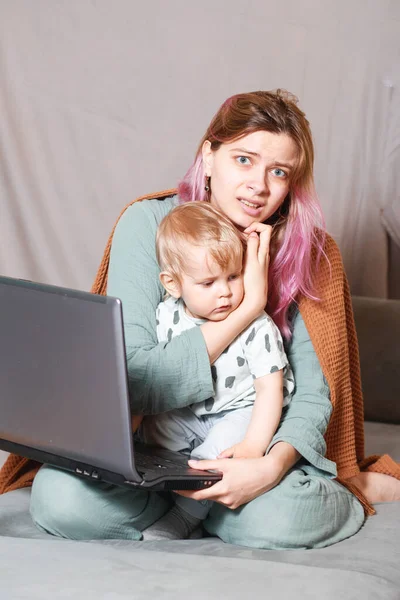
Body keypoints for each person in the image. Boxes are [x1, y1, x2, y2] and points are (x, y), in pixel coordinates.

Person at [15, 88, 399, 548]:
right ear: (209, 156)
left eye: (279, 172)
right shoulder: (148, 224)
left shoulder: (307, 252)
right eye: (244, 160)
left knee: (283, 519)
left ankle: (310, 496)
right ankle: (194, 508)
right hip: (155, 449)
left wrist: (266, 469)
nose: (259, 185)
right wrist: (249, 308)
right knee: (59, 498)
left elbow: (314, 394)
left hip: (248, 447)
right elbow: (137, 378)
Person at [139, 201, 294, 540]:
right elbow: (157, 371)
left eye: (234, 277)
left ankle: (185, 517)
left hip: (239, 410)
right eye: (208, 283)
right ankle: (163, 491)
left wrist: (254, 444)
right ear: (173, 284)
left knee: (214, 456)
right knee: (151, 431)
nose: (225, 292)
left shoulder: (256, 326)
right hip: (190, 410)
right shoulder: (168, 315)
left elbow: (270, 390)